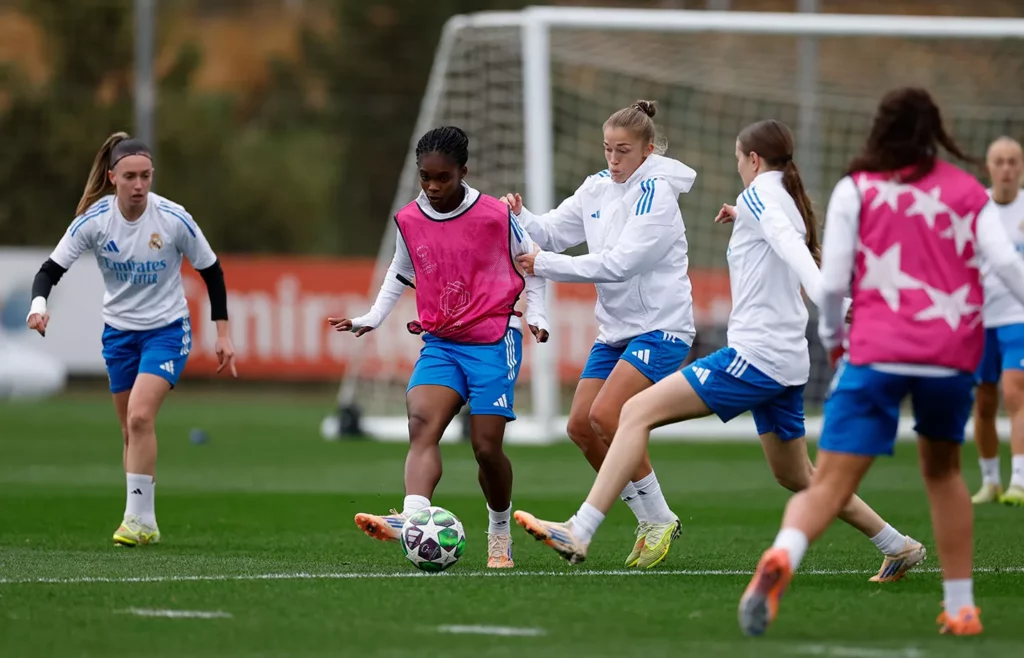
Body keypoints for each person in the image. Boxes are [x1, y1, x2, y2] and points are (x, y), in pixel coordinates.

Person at [513, 119, 924, 584]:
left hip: (755, 357)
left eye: (736, 159)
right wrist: (745, 216)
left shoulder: (759, 198)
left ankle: (581, 529)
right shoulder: (779, 199)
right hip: (786, 362)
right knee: (796, 475)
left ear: (752, 160)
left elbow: (796, 255)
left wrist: (840, 304)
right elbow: (792, 243)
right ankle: (897, 544)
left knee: (632, 414)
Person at [738, 88, 1024, 638]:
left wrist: (832, 340)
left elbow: (834, 281)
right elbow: (1008, 267)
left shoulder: (856, 188)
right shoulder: (968, 191)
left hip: (876, 349)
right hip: (948, 355)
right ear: (935, 132)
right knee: (943, 474)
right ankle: (961, 606)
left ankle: (782, 557)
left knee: (827, 485)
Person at [329, 126, 549, 569]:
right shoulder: (409, 219)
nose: (432, 187)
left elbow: (534, 264)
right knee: (421, 422)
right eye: (425, 177)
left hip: (492, 337)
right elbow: (400, 268)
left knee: (486, 447)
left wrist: (538, 314)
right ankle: (411, 520)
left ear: (463, 172)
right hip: (443, 341)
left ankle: (499, 532)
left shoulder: (494, 215)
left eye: (442, 178)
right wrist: (372, 316)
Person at [502, 99, 695, 569]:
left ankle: (656, 519)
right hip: (616, 332)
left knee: (608, 417)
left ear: (648, 150)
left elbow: (620, 264)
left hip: (661, 328)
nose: (613, 160)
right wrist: (520, 216)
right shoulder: (596, 187)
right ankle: (655, 518)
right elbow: (549, 230)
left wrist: (544, 263)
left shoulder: (656, 195)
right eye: (608, 149)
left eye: (623, 151)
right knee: (579, 426)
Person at [26, 132, 237, 547]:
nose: (139, 185)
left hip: (167, 330)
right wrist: (37, 305)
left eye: (146, 176)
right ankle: (147, 521)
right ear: (112, 177)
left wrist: (223, 334)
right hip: (119, 334)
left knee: (141, 417)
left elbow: (211, 271)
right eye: (130, 177)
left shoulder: (174, 219)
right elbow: (49, 270)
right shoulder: (94, 221)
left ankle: (135, 520)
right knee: (129, 430)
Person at [971, 136, 1024, 506]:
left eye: (1013, 161)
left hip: (1018, 317)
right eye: (999, 162)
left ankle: (1019, 480)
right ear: (988, 167)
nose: (1006, 168)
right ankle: (990, 480)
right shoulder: (976, 210)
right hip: (979, 320)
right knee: (984, 401)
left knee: (1014, 391)